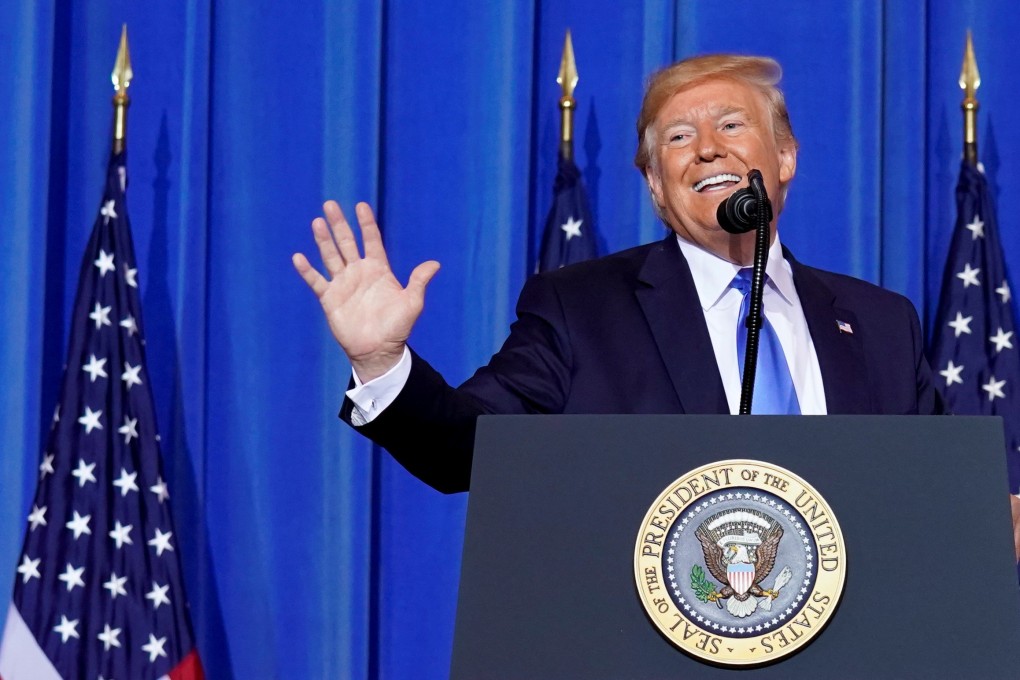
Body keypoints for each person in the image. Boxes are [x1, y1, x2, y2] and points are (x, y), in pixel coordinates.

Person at [292, 54, 945, 497]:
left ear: (785, 157)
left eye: (731, 125)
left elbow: (938, 489)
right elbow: (466, 452)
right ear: (656, 184)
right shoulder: (581, 310)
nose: (708, 147)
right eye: (678, 138)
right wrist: (381, 363)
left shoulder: (883, 322)